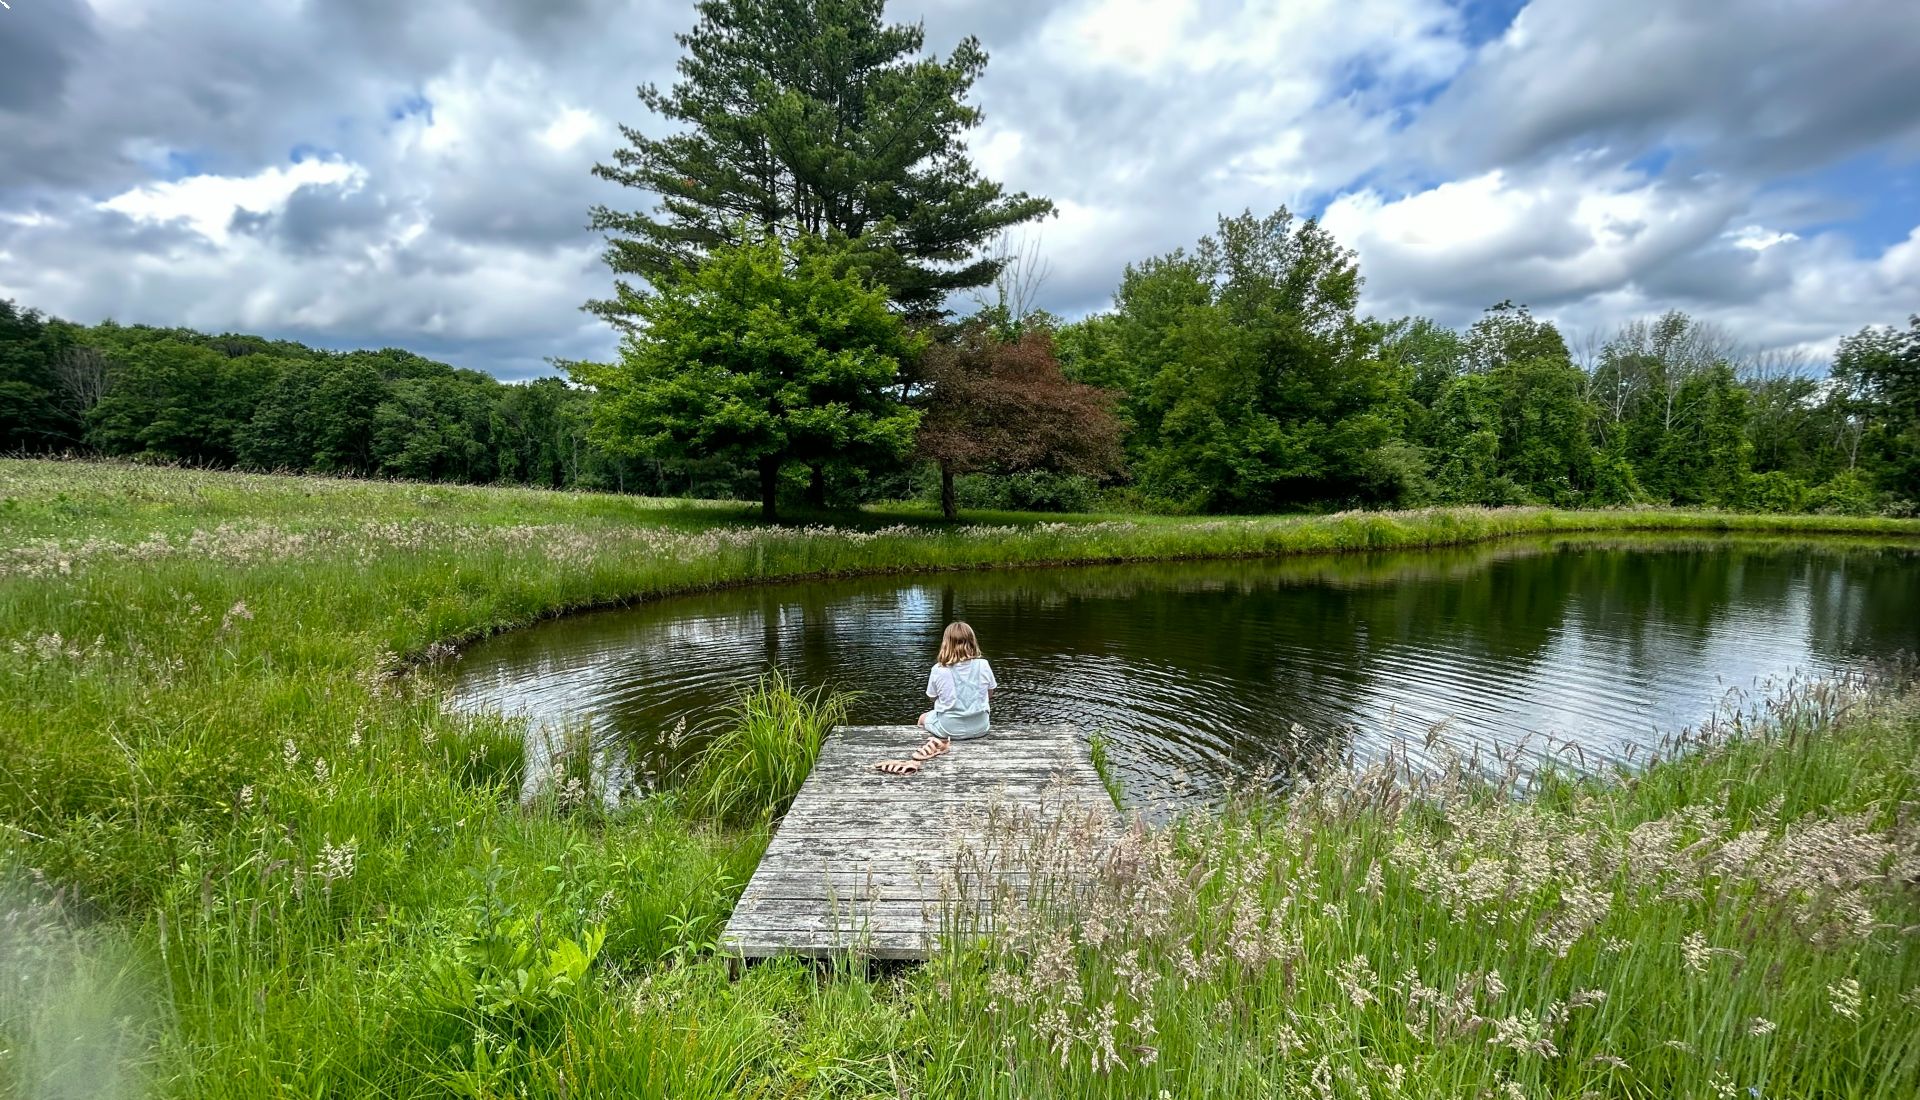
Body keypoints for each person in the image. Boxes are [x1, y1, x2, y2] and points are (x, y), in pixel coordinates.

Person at [874, 621, 997, 776]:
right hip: (981, 726)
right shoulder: (983, 665)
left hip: (950, 729)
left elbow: (932, 698)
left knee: (923, 717)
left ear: (946, 644)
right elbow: (990, 694)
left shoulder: (939, 669)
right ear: (972, 642)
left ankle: (928, 745)